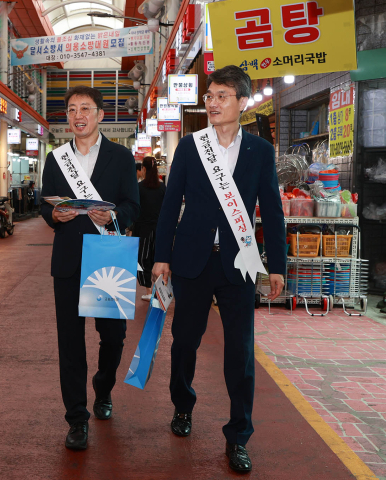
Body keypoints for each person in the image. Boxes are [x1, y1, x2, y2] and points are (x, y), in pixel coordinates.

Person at [152, 65, 286, 473]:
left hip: (239, 265)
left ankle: (239, 434)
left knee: (241, 352)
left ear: (242, 103)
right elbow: (170, 203)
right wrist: (162, 256)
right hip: (192, 261)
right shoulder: (191, 147)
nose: (212, 102)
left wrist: (276, 266)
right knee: (184, 342)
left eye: (222, 96)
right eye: (209, 96)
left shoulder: (260, 151)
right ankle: (183, 406)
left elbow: (274, 212)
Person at [40, 86, 140, 451]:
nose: (77, 115)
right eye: (71, 110)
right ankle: (77, 418)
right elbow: (43, 203)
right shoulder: (56, 158)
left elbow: (133, 206)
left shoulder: (121, 157)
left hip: (109, 258)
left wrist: (114, 215)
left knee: (112, 337)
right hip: (68, 258)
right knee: (70, 343)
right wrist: (54, 214)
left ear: (100, 114)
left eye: (85, 108)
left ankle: (103, 385)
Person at [132, 156, 166, 301]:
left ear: (144, 169)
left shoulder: (139, 188)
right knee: (158, 258)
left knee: (142, 259)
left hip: (143, 229)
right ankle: (160, 291)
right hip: (159, 229)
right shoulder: (162, 187)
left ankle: (148, 290)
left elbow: (136, 211)